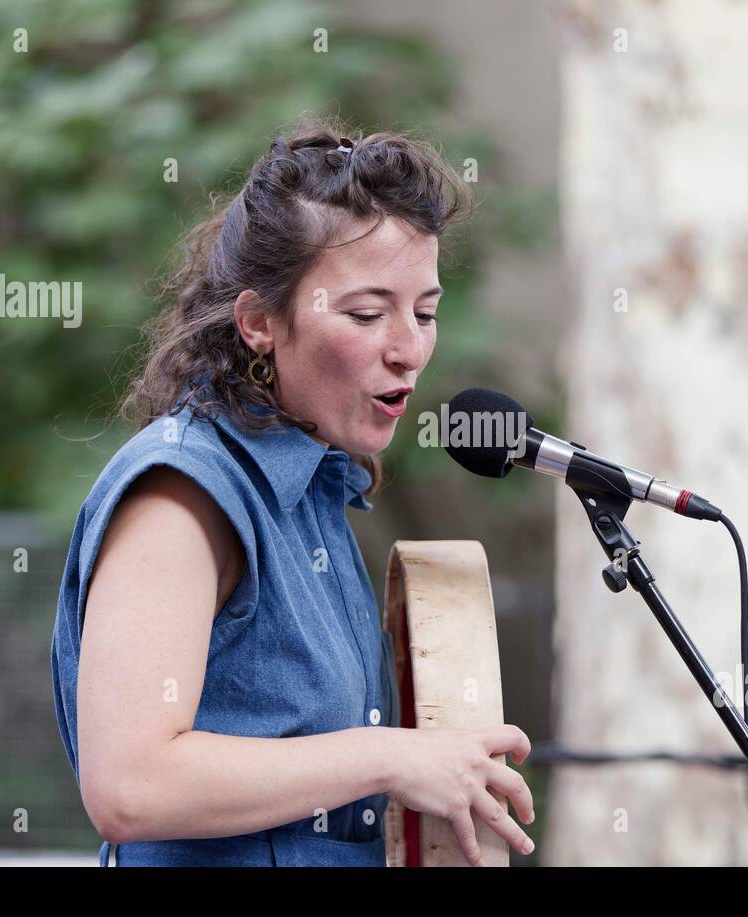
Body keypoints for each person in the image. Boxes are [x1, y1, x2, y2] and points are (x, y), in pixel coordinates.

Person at [50, 118, 535, 866]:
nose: (409, 347)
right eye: (368, 314)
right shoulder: (182, 494)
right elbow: (129, 785)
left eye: (426, 312)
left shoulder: (316, 486)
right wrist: (391, 757)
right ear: (258, 322)